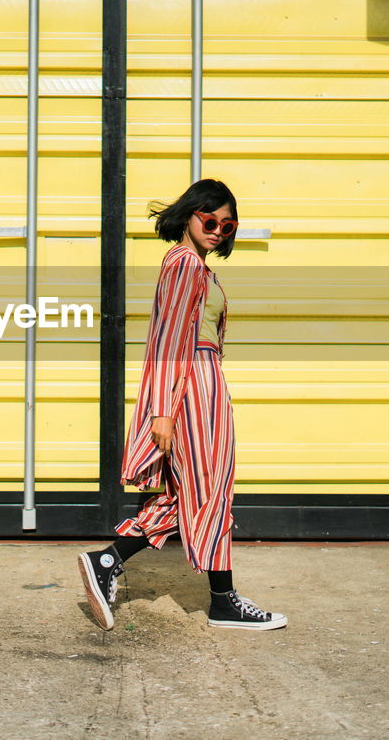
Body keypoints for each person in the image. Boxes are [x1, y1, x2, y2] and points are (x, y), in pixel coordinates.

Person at [77, 179, 287, 631]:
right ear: (189, 216)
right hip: (194, 388)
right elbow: (169, 341)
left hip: (199, 384)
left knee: (184, 495)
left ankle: (108, 561)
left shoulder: (197, 269)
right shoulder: (185, 265)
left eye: (226, 225)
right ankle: (223, 600)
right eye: (208, 220)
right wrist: (163, 411)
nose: (217, 230)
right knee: (211, 490)